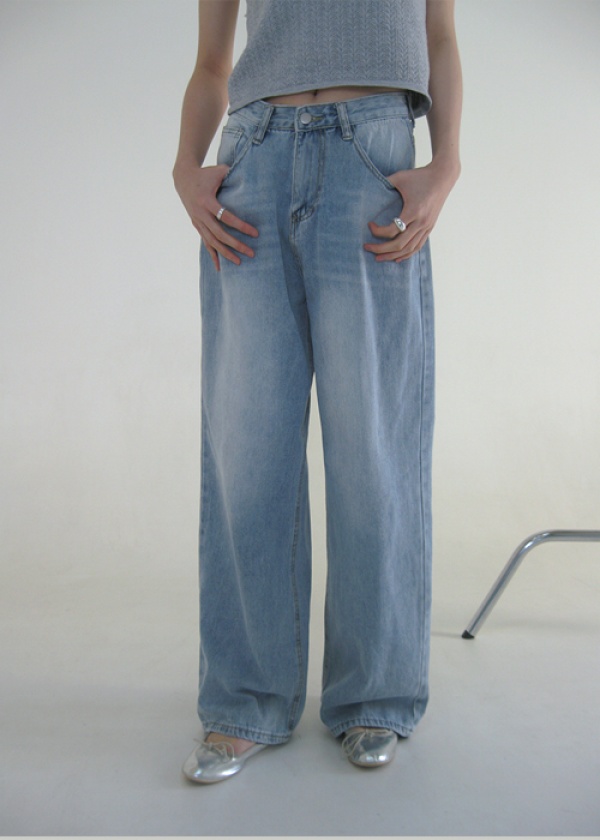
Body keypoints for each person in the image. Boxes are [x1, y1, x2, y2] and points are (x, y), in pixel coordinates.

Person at [173, 0, 462, 783]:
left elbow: (439, 34)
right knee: (248, 445)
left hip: (373, 156)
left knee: (374, 443)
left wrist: (446, 162)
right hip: (253, 157)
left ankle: (374, 694)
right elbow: (211, 62)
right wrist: (185, 167)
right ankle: (246, 698)